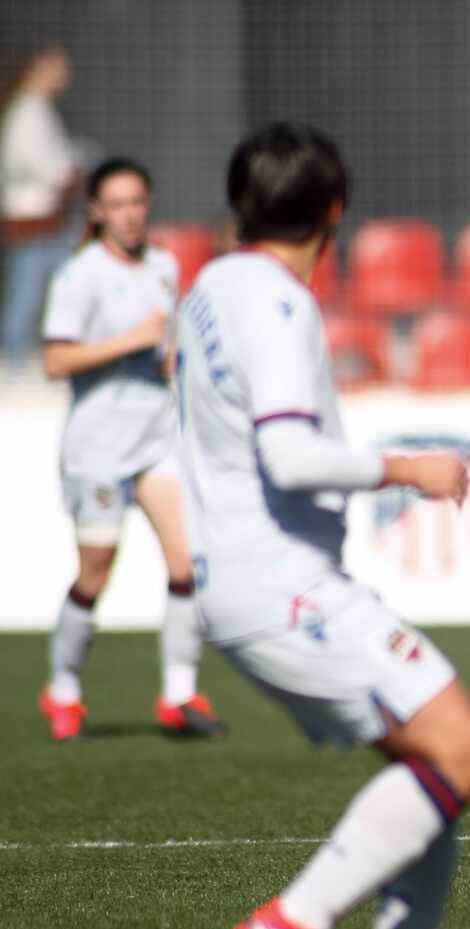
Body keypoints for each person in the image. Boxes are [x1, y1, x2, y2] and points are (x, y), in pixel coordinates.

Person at [176, 124, 470, 929]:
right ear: (335, 208)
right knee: (462, 749)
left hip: (243, 579)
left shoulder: (210, 285)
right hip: (281, 582)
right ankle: (292, 927)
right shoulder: (277, 302)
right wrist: (408, 469)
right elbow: (288, 454)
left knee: (434, 768)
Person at [36, 158, 225, 741]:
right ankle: (63, 689)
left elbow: (164, 349)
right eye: (118, 203)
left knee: (187, 559)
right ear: (96, 211)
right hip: (97, 446)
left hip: (156, 440)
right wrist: (130, 342)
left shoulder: (165, 266)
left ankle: (179, 693)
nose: (131, 213)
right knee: (96, 571)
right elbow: (55, 359)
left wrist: (176, 360)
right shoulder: (79, 276)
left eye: (138, 201)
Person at [1, 46, 82, 372]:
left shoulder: (38, 109)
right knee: (27, 291)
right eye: (57, 68)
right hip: (32, 219)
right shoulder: (27, 110)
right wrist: (67, 173)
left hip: (49, 219)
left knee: (57, 284)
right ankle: (13, 357)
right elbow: (38, 162)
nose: (64, 76)